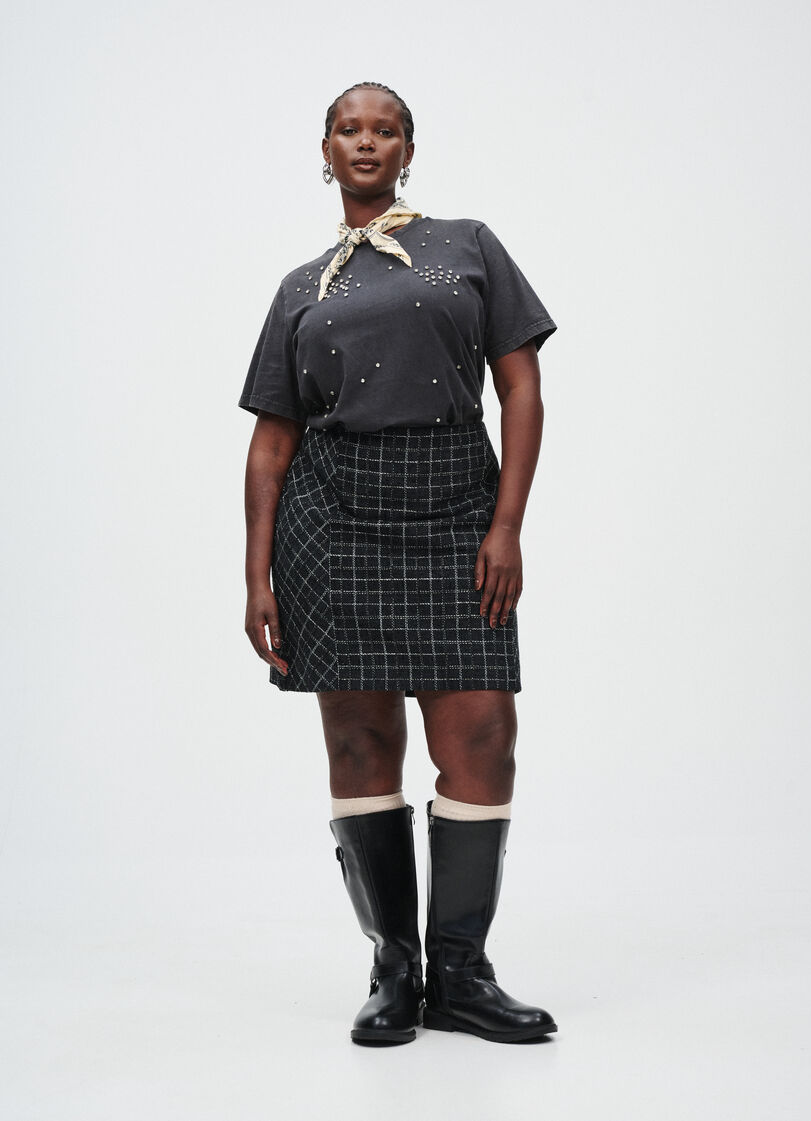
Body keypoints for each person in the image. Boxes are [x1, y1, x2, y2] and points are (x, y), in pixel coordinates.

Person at [239, 81, 559, 1046]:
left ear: (409, 148)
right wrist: (256, 575)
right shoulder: (302, 287)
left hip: (457, 503)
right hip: (331, 520)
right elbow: (272, 441)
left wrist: (507, 525)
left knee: (483, 733)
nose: (367, 140)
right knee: (359, 742)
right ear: (326, 151)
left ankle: (461, 972)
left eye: (385, 128)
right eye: (349, 128)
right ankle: (394, 968)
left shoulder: (467, 245)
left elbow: (522, 388)